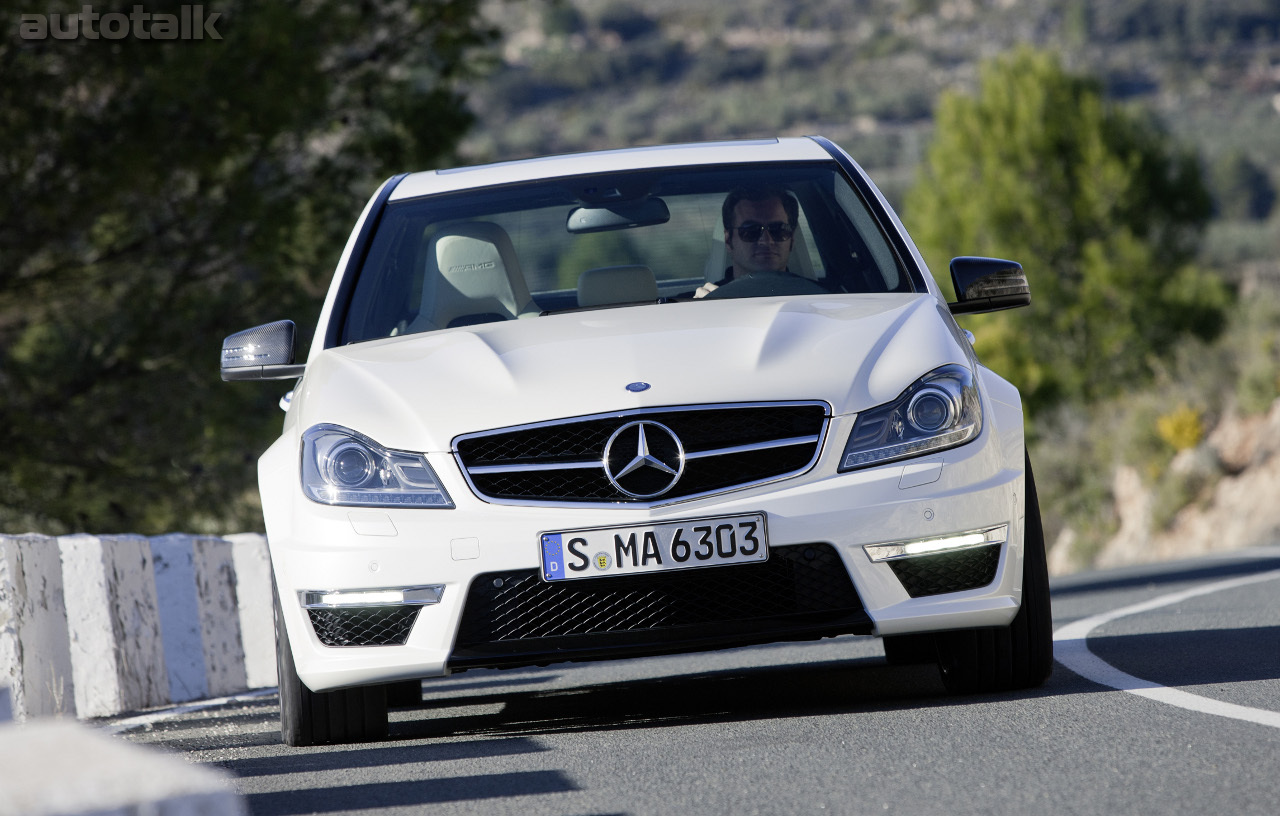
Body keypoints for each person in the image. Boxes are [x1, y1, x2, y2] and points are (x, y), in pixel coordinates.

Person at [694, 185, 799, 298]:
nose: (766, 240)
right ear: (728, 240)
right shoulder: (701, 303)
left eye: (778, 230)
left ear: (792, 238)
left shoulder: (818, 297)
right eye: (751, 230)